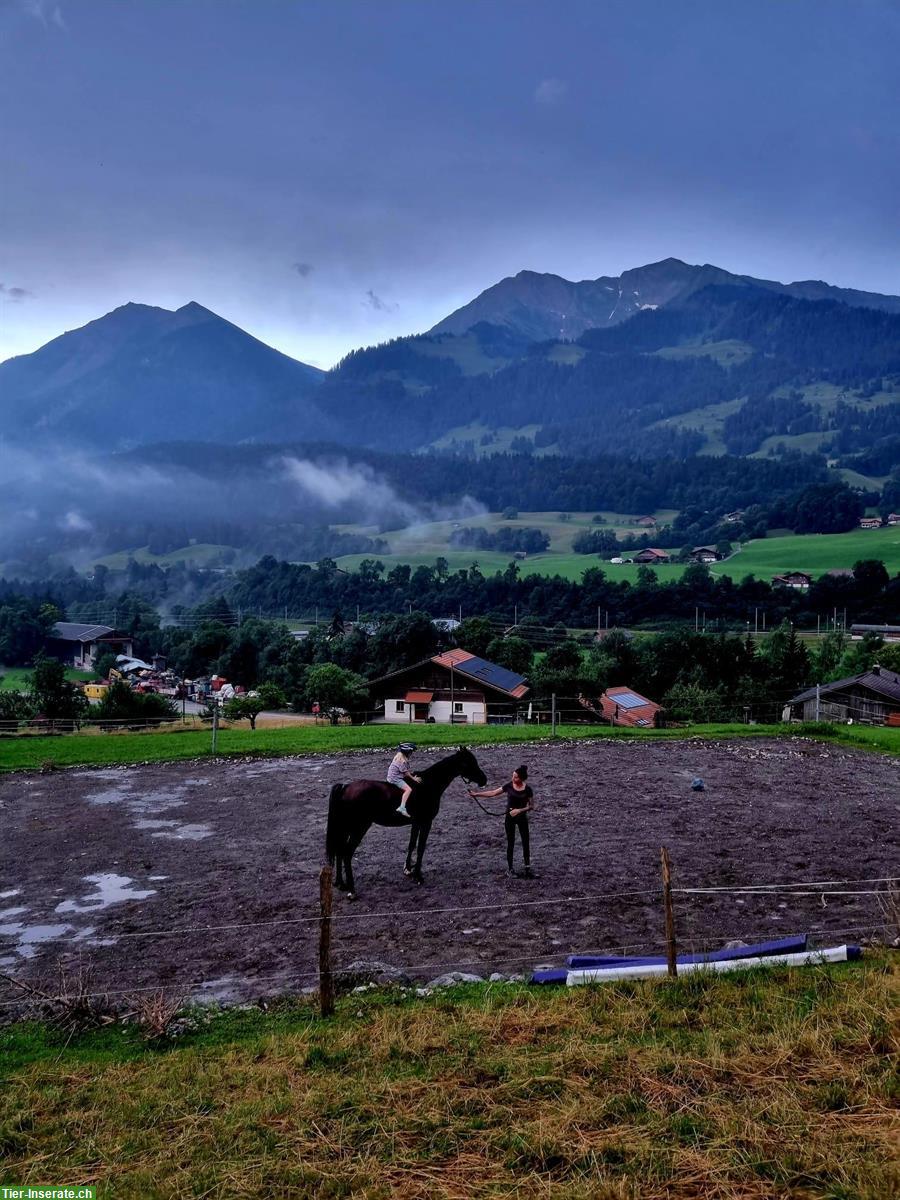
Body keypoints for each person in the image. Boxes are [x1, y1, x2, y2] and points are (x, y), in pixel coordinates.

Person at [469, 765, 534, 877]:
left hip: (522, 817)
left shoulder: (528, 789)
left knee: (525, 841)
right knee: (511, 842)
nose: (513, 779)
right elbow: (493, 793)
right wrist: (477, 794)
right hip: (510, 818)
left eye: (516, 777)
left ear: (522, 778)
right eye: (513, 776)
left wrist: (520, 810)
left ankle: (527, 868)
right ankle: (510, 869)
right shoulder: (508, 786)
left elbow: (531, 806)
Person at [387, 742, 421, 817]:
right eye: (411, 752)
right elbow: (406, 773)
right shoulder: (402, 761)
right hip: (395, 779)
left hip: (391, 776)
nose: (411, 754)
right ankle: (402, 807)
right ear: (407, 752)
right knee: (408, 789)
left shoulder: (398, 756)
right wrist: (414, 778)